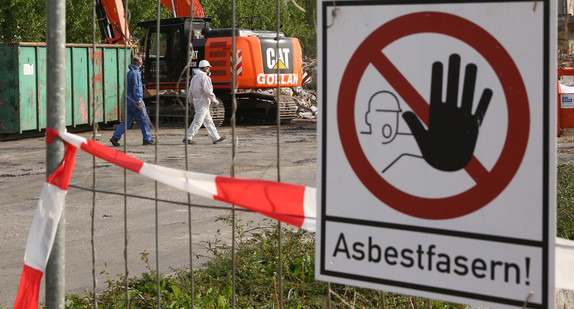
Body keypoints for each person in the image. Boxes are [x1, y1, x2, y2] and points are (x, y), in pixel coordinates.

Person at [110, 56, 154, 146]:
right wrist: (138, 100)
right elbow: (137, 88)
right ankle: (147, 139)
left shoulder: (128, 73)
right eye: (141, 63)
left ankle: (115, 137)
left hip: (128, 100)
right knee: (144, 119)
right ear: (139, 64)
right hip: (136, 100)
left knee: (126, 121)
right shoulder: (136, 74)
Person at [183, 60, 225, 145]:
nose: (209, 69)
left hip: (198, 102)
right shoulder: (205, 77)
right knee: (198, 120)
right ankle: (188, 137)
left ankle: (215, 138)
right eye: (209, 68)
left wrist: (191, 101)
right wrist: (214, 99)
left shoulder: (194, 78)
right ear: (206, 68)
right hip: (203, 102)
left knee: (208, 121)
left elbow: (190, 91)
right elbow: (207, 90)